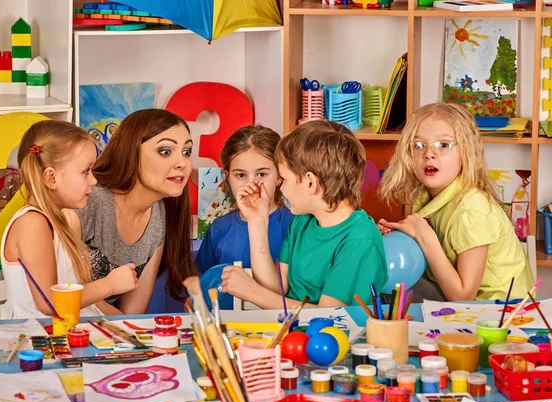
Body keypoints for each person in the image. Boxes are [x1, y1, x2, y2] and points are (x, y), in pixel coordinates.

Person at [221, 120, 388, 308]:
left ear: (310, 183)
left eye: (283, 179)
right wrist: (256, 221)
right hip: (292, 330)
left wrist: (252, 292)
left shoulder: (360, 240)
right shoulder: (302, 222)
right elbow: (276, 289)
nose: (280, 187)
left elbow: (328, 314)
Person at [378, 102, 534, 301]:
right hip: (467, 305)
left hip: (501, 314)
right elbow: (433, 267)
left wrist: (425, 237)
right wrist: (406, 239)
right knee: (385, 285)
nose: (428, 153)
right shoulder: (426, 198)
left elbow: (463, 296)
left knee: (393, 294)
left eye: (443, 145)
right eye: (418, 145)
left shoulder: (471, 210)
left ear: (466, 152)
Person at [1, 120, 137, 319]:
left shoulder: (66, 221)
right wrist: (110, 285)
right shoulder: (32, 224)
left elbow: (93, 304)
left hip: (69, 338)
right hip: (33, 344)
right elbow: (50, 303)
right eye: (86, 171)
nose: (94, 180)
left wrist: (131, 326)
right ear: (51, 178)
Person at [66, 109, 197, 314]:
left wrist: (135, 334)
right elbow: (65, 300)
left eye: (187, 152)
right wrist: (132, 332)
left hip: (97, 333)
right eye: (165, 151)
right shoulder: (89, 202)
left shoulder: (158, 215)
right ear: (131, 152)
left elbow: (134, 314)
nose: (182, 163)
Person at [196, 125, 294, 275]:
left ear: (280, 176)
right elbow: (203, 280)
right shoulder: (218, 228)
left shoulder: (296, 226)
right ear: (227, 176)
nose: (251, 184)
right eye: (241, 175)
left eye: (261, 174)